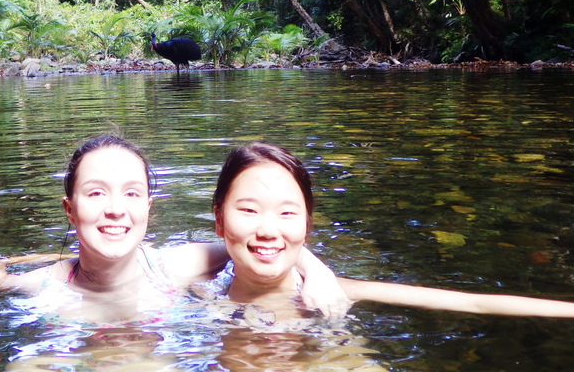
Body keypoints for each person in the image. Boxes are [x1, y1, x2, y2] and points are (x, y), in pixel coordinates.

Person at [0, 135, 350, 324]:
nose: (116, 209)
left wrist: (318, 272)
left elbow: (258, 241)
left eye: (132, 193)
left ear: (148, 208)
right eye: (97, 192)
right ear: (70, 210)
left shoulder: (172, 266)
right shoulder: (41, 284)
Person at [209, 141, 574, 318]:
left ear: (307, 224)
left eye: (287, 213)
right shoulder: (190, 293)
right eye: (249, 210)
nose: (269, 230)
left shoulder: (335, 292)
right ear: (219, 218)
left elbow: (473, 302)